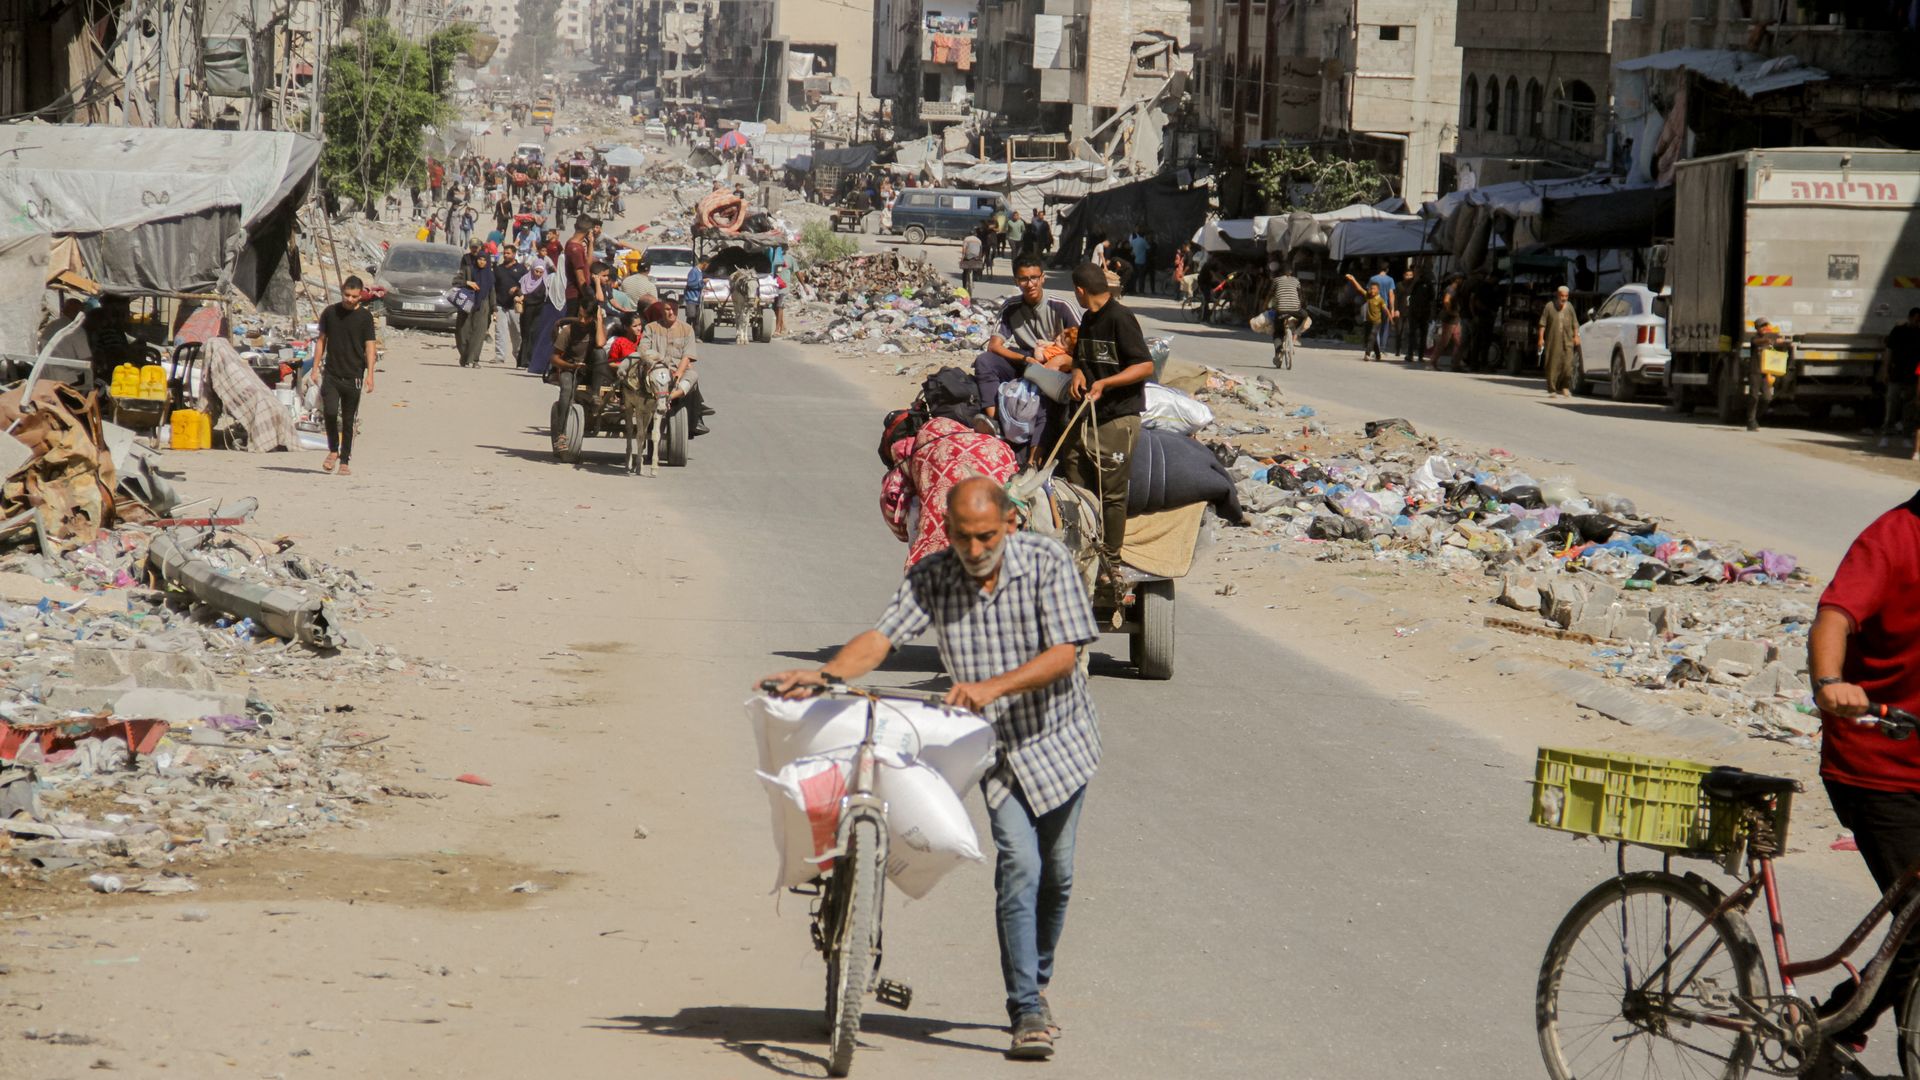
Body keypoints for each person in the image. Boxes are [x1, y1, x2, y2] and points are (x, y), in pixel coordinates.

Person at [759, 475, 1103, 1063]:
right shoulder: (932, 577)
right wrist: (828, 675)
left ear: (1010, 525)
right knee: (1019, 865)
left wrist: (990, 687)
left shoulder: (1048, 563)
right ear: (948, 530)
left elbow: (1065, 654)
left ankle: (1037, 978)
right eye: (963, 538)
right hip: (990, 748)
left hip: (1060, 741)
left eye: (987, 537)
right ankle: (1026, 1007)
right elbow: (882, 637)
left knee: (1059, 875)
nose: (975, 551)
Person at [1805, 490, 1920, 1061]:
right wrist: (1830, 685)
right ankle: (1833, 1027)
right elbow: (1835, 616)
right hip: (1878, 762)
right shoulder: (1893, 537)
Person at [1062, 261, 1153, 574]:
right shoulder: (1088, 318)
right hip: (1089, 414)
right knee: (1074, 476)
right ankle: (1084, 548)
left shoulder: (1120, 318)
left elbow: (1144, 366)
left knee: (1113, 493)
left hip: (1118, 418)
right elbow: (1080, 358)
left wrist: (1105, 382)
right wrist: (1076, 372)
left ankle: (1111, 563)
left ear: (1080, 290)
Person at [976, 254, 1081, 447]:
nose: (1030, 284)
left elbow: (1083, 349)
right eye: (1024, 279)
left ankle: (1036, 453)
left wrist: (1059, 361)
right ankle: (995, 421)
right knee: (985, 361)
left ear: (1043, 278)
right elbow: (995, 346)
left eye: (1034, 278)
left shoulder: (1062, 306)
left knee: (1043, 396)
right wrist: (1025, 360)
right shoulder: (1011, 307)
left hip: (1058, 366)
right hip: (1026, 360)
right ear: (1016, 281)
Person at [310, 276, 378, 477]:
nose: (350, 299)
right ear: (342, 292)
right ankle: (333, 450)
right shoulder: (330, 313)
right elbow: (321, 341)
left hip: (354, 375)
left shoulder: (365, 318)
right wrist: (315, 368)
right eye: (347, 295)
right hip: (331, 373)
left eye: (354, 296)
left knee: (348, 420)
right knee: (330, 413)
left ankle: (345, 460)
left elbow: (370, 346)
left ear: (360, 296)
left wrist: (370, 375)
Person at [638, 301, 710, 436]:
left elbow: (687, 356)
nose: (671, 312)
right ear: (662, 310)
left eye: (674, 309)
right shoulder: (651, 328)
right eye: (667, 309)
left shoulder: (687, 329)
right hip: (655, 370)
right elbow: (643, 349)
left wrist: (678, 374)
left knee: (693, 375)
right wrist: (653, 362)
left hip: (677, 372)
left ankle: (668, 398)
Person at [1882, 307, 1920, 459]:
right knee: (1892, 406)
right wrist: (1885, 370)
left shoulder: (1919, 333)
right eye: (1917, 320)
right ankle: (1886, 435)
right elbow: (1889, 351)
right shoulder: (1898, 331)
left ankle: (1906, 437)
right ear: (1910, 318)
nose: (1918, 323)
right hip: (1896, 375)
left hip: (1912, 377)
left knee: (1909, 409)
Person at [455, 239, 495, 369]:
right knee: (463, 332)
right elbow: (455, 281)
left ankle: (474, 360)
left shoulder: (489, 275)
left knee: (479, 333)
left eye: (484, 259)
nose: (481, 261)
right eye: (479, 259)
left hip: (483, 305)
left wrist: (494, 309)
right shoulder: (468, 269)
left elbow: (492, 292)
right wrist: (468, 283)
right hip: (467, 303)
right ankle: (465, 356)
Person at [1536, 285, 1580, 397]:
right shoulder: (1549, 306)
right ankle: (1552, 389)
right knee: (1552, 365)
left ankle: (1565, 387)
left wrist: (1576, 336)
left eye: (1566, 296)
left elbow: (1575, 324)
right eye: (1562, 296)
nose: (1564, 298)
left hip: (1568, 341)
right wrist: (1541, 338)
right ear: (1557, 295)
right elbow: (1542, 324)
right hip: (1553, 341)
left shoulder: (1570, 307)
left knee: (1568, 366)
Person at [1746, 317, 1786, 431]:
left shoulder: (1772, 336)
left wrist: (1781, 341)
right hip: (1754, 371)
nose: (1763, 328)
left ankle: (1754, 417)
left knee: (1767, 398)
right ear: (1757, 328)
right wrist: (1769, 341)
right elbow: (1757, 342)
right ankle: (1751, 421)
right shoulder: (1755, 338)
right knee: (1753, 396)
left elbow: (1782, 343)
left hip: (1765, 372)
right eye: (1761, 326)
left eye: (1765, 325)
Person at [1344, 273, 1393, 362]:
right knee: (1370, 339)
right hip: (1368, 321)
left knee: (1372, 336)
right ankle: (1378, 354)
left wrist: (1391, 319)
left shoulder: (1380, 300)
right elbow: (1359, 288)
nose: (1371, 290)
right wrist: (1353, 279)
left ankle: (1367, 354)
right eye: (1370, 288)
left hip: (1377, 322)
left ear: (1378, 290)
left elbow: (1385, 309)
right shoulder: (1368, 296)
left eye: (1373, 288)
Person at [1267, 263, 1310, 364]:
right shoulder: (1296, 281)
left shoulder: (1276, 280)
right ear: (1292, 273)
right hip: (1295, 310)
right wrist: (1301, 306)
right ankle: (1296, 333)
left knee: (1278, 332)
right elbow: (1301, 296)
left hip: (1281, 310)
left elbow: (1270, 294)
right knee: (1305, 316)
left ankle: (1278, 352)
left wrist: (1265, 306)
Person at [492, 247, 525, 365]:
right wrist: (494, 305)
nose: (505, 255)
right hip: (501, 305)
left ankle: (519, 356)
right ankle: (499, 356)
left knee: (516, 332)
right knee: (500, 331)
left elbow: (527, 286)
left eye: (508, 253)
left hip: (515, 306)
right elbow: (493, 288)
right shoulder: (498, 269)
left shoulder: (521, 269)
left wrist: (518, 289)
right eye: (504, 253)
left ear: (514, 254)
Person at [1401, 265, 1434, 364]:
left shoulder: (1427, 282)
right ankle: (1410, 354)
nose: (1418, 272)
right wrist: (1415, 281)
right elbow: (1407, 292)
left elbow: (1432, 297)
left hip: (1424, 311)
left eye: (1419, 270)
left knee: (1423, 334)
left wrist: (1432, 312)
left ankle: (1420, 356)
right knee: (1412, 334)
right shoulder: (1411, 281)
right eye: (1416, 270)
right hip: (1413, 311)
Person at [564, 216, 596, 316]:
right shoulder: (576, 249)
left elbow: (587, 264)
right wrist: (589, 299)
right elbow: (581, 279)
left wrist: (591, 242)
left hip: (577, 293)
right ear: (588, 231)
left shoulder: (572, 243)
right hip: (576, 295)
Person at [960, 226, 986, 293]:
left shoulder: (966, 239)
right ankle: (975, 276)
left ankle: (964, 287)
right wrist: (980, 258)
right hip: (977, 257)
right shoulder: (979, 240)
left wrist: (962, 258)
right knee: (975, 267)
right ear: (976, 234)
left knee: (965, 272)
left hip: (968, 257)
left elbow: (964, 250)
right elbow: (980, 251)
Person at [1128, 229, 1153, 296]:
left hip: (1134, 260)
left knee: (1135, 276)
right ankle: (1141, 290)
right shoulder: (1144, 241)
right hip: (1142, 260)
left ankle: (1133, 289)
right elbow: (1149, 249)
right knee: (1141, 276)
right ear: (1144, 235)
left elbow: (1130, 247)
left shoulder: (1133, 241)